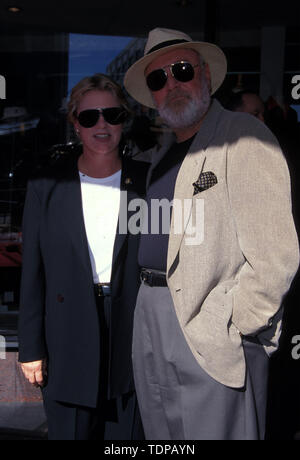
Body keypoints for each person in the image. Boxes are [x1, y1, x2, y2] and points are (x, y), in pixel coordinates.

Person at [124, 27, 299, 440]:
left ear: (204, 74)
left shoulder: (243, 134)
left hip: (212, 324)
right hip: (151, 315)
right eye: (157, 79)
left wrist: (237, 323)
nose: (172, 84)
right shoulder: (161, 158)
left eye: (181, 70)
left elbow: (276, 256)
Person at [18, 73, 148, 440]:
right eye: (90, 117)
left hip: (130, 329)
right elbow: (33, 271)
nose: (102, 125)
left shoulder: (146, 182)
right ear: (75, 122)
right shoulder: (46, 185)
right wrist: (30, 347)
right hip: (67, 330)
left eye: (112, 115)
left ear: (125, 119)